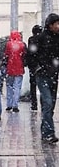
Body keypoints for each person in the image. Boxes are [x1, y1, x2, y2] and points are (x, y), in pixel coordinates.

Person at [35, 13, 59, 143]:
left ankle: (45, 130)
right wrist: (39, 68)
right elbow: (32, 56)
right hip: (43, 75)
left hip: (53, 75)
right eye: (57, 24)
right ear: (50, 25)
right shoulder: (41, 38)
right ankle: (49, 132)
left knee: (50, 104)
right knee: (48, 103)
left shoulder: (57, 38)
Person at [4, 31, 27, 113]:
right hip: (19, 68)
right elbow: (25, 55)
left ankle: (9, 104)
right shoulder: (22, 44)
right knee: (17, 87)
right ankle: (15, 105)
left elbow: (6, 55)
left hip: (10, 68)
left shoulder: (8, 44)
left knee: (9, 86)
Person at [25, 25, 42, 111]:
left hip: (33, 66)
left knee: (33, 85)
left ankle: (34, 104)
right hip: (42, 65)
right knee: (42, 85)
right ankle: (43, 104)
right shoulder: (43, 39)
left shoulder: (31, 39)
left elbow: (29, 53)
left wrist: (29, 63)